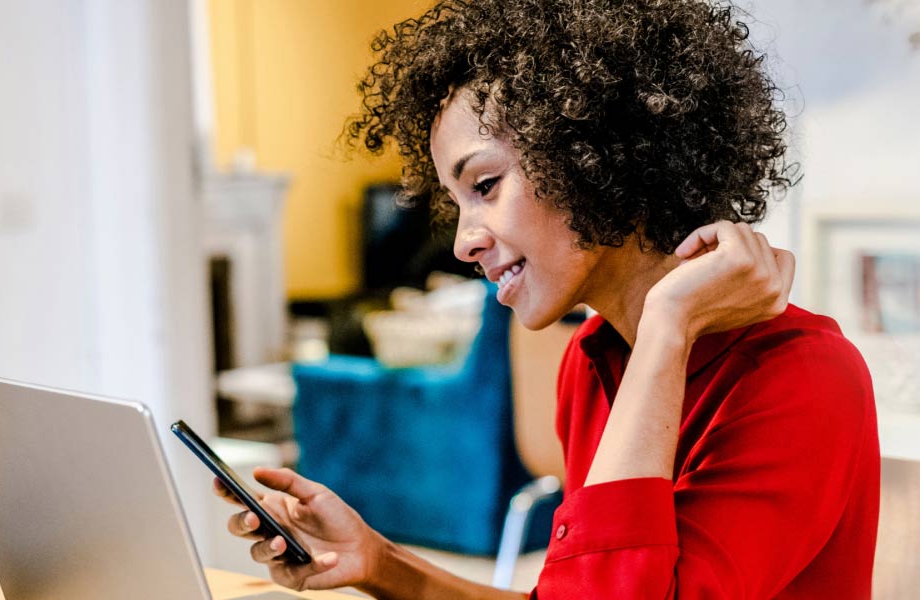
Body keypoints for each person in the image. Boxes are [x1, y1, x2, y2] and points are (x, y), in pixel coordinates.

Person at [218, 0, 880, 597]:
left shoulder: (803, 377)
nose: (463, 244)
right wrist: (378, 560)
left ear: (597, 159)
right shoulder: (593, 363)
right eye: (456, 203)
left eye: (483, 185)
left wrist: (667, 325)